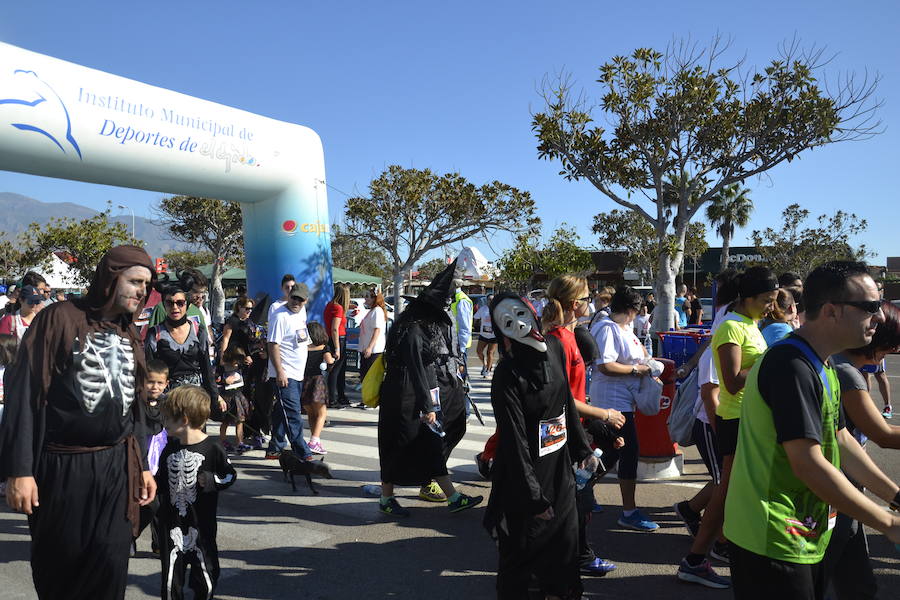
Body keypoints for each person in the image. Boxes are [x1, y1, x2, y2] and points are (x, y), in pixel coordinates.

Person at [725, 261, 900, 600]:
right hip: (770, 536)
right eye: (870, 308)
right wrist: (889, 524)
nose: (879, 318)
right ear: (832, 311)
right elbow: (808, 463)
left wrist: (895, 496)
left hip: (802, 531)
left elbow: (841, 441)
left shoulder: (824, 362)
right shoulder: (791, 365)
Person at [0, 246, 157, 600]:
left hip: (117, 466)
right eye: (134, 281)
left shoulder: (128, 332)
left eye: (146, 284)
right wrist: (20, 469)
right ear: (109, 279)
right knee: (61, 567)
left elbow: (135, 407)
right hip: (63, 465)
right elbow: (24, 394)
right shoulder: (59, 318)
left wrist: (143, 465)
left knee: (111, 562)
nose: (141, 291)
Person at [484, 292, 593, 599]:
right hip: (524, 477)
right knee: (520, 556)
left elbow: (566, 406)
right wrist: (533, 497)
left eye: (519, 313)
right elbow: (515, 439)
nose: (518, 323)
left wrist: (582, 448)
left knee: (564, 549)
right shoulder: (507, 373)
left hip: (559, 470)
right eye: (507, 322)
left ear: (531, 311)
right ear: (501, 331)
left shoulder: (556, 347)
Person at [376, 259, 482, 516]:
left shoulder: (406, 325)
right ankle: (390, 499)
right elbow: (415, 369)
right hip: (407, 396)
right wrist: (427, 406)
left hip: (402, 394)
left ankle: (448, 497)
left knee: (409, 446)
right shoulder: (414, 331)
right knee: (409, 446)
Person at [542, 275, 625, 577]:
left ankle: (574, 556)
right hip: (560, 435)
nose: (592, 302)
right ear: (575, 304)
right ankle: (574, 558)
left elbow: (573, 394)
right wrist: (604, 415)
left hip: (573, 431)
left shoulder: (570, 335)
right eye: (588, 298)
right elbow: (561, 398)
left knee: (579, 499)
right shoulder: (557, 341)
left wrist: (598, 427)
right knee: (577, 500)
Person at [823, 299, 900, 599]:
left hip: (848, 480)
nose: (892, 353)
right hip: (836, 484)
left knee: (855, 572)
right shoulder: (846, 373)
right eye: (890, 346)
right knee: (831, 560)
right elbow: (879, 434)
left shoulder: (844, 366)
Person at [674, 271, 742, 588]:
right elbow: (710, 391)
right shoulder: (729, 328)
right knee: (724, 487)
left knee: (725, 485)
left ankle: (691, 514)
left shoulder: (735, 326)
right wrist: (721, 431)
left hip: (724, 422)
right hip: (713, 422)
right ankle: (709, 550)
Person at [156, 385, 236, 600]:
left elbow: (229, 475)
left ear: (183, 420)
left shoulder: (213, 448)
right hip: (171, 522)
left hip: (201, 522)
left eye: (167, 419)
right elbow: (161, 479)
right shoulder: (169, 448)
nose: (164, 424)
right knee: (171, 575)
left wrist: (211, 480)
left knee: (206, 570)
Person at [590, 286, 659, 532]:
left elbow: (638, 350)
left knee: (609, 453)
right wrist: (636, 370)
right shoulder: (607, 329)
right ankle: (628, 511)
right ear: (631, 310)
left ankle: (581, 491)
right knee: (625, 452)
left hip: (624, 400)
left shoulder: (624, 327)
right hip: (611, 401)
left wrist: (647, 362)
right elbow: (605, 365)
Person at [145, 284, 223, 416]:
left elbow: (206, 368)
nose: (175, 307)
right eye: (170, 303)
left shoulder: (199, 330)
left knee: (195, 435)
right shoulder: (155, 333)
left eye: (180, 303)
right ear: (164, 306)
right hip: (168, 401)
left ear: (187, 305)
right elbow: (149, 368)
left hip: (195, 399)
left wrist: (215, 398)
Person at [265, 282, 314, 460]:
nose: (296, 302)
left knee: (282, 410)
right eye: (294, 298)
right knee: (292, 413)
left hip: (298, 372)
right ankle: (302, 452)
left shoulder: (301, 312)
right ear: (289, 295)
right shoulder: (279, 316)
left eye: (300, 300)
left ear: (305, 301)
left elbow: (302, 337)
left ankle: (275, 447)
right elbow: (273, 344)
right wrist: (280, 371)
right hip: (285, 373)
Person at [135, 358, 170, 556]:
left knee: (161, 506)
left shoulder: (167, 404)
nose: (154, 386)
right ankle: (130, 536)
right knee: (148, 504)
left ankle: (159, 543)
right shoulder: (136, 403)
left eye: (159, 383)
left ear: (166, 383)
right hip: (142, 459)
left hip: (161, 460)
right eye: (150, 382)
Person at [301, 322, 333, 454]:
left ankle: (315, 440)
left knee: (311, 413)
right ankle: (314, 441)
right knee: (321, 413)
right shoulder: (324, 347)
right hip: (317, 382)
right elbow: (329, 361)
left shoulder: (302, 348)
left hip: (304, 381)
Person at [217, 347, 252, 453]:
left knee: (240, 420)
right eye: (236, 360)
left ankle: (239, 442)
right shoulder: (222, 368)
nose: (237, 363)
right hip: (228, 397)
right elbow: (215, 380)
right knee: (226, 421)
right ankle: (223, 441)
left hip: (239, 396)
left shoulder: (240, 366)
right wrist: (224, 381)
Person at [324, 284, 350, 408]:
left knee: (337, 370)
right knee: (335, 370)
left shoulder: (330, 305)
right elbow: (335, 328)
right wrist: (337, 348)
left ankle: (339, 396)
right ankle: (333, 399)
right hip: (338, 339)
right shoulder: (338, 308)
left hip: (332, 339)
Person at [451, 278, 474, 378]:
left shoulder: (461, 300)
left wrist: (462, 349)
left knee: (460, 376)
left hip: (459, 345)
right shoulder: (454, 297)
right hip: (454, 342)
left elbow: (464, 326)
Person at [474, 293, 498, 377]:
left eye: (492, 300)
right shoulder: (483, 309)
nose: (490, 301)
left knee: (490, 353)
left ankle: (488, 370)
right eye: (489, 299)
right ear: (487, 300)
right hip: (483, 335)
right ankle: (484, 365)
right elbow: (476, 318)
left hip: (494, 336)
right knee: (479, 351)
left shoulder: (497, 310)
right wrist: (476, 324)